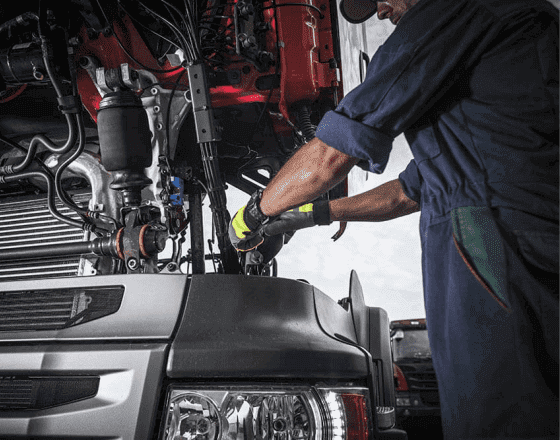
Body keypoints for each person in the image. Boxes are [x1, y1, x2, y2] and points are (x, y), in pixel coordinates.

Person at [229, 0, 560, 439]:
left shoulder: (452, 14)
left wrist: (251, 215)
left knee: (503, 413)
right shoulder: (486, 78)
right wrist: (313, 214)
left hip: (494, 242)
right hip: (517, 234)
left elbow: (330, 156)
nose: (381, 11)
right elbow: (407, 192)